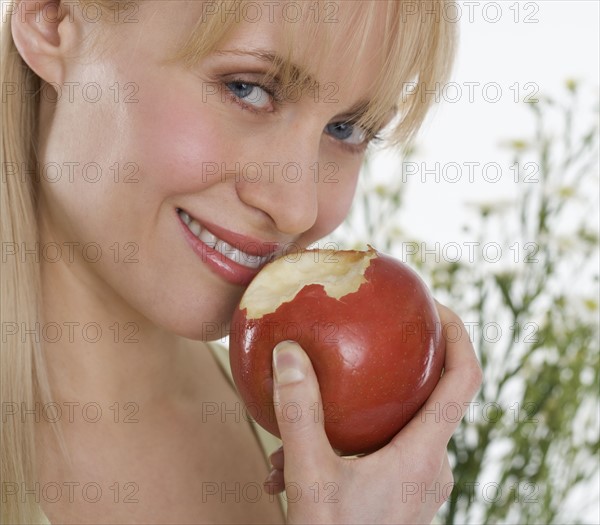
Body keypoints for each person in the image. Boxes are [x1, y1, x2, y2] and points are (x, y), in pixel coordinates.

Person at [1, 0, 483, 523]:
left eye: (346, 129)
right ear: (51, 19)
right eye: (247, 88)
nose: (296, 209)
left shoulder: (318, 453)